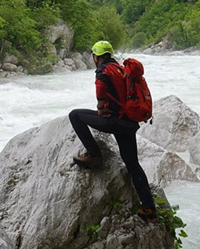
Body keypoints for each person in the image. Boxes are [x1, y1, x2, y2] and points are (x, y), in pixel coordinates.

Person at [68, 41, 158, 223]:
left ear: (96, 57)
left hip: (114, 121)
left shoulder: (103, 71)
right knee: (133, 164)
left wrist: (101, 107)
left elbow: (101, 88)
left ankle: (94, 154)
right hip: (129, 123)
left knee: (75, 115)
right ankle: (149, 208)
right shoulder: (120, 68)